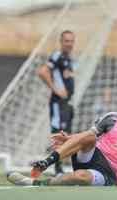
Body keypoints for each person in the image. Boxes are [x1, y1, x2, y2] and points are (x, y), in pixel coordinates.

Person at [37, 30, 75, 176]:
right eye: (66, 41)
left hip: (67, 104)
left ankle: (61, 168)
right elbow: (42, 71)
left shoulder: (68, 59)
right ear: (61, 42)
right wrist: (56, 89)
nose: (69, 44)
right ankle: (57, 169)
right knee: (58, 135)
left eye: (71, 41)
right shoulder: (57, 55)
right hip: (58, 103)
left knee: (66, 136)